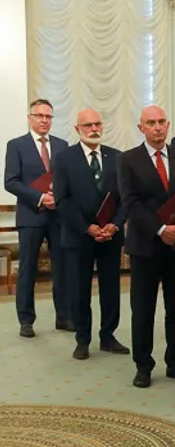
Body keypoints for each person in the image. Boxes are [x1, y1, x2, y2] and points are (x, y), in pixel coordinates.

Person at [118, 105, 175, 387]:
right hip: (145, 244)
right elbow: (130, 202)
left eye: (162, 121)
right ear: (141, 128)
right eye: (151, 123)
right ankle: (143, 365)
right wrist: (160, 229)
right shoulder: (128, 160)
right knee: (143, 308)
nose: (158, 127)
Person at [54, 109, 130, 360]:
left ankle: (108, 336)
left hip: (110, 236)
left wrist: (115, 225)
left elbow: (125, 200)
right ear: (77, 129)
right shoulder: (64, 159)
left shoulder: (117, 158)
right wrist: (87, 228)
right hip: (79, 236)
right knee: (79, 289)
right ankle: (82, 339)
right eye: (87, 125)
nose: (94, 128)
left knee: (111, 288)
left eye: (97, 124)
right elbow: (62, 200)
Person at [4, 98, 72, 337]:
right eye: (39, 116)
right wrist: (41, 198)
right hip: (31, 215)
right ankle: (26, 320)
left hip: (58, 216)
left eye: (48, 116)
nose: (44, 120)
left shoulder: (62, 145)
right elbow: (10, 181)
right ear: (30, 117)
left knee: (62, 267)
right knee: (28, 268)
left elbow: (68, 178)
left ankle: (64, 316)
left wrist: (59, 197)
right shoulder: (16, 145)